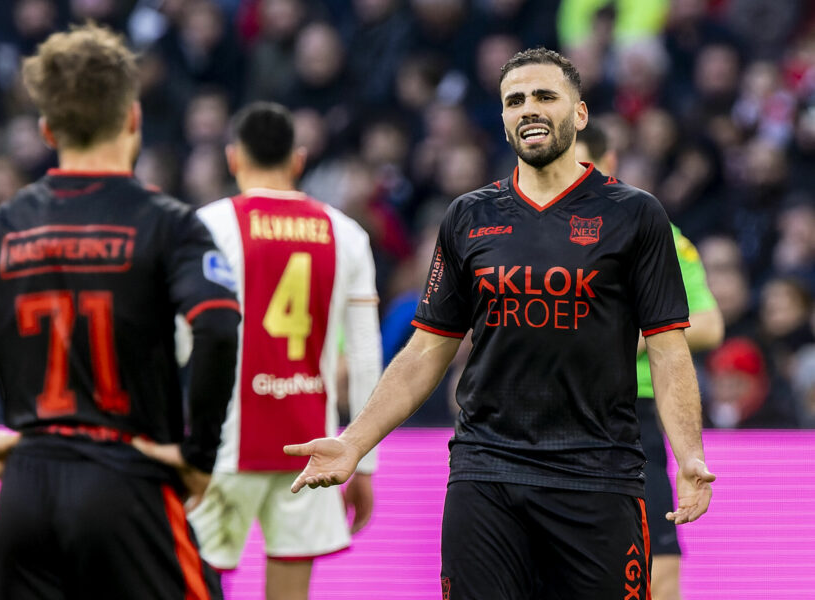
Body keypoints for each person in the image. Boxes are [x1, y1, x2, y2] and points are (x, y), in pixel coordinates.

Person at [285, 47, 716, 599]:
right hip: (486, 472)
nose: (528, 109)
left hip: (599, 475)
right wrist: (354, 443)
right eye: (515, 100)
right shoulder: (469, 216)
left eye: (544, 96)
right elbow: (426, 351)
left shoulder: (635, 215)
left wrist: (689, 455)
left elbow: (667, 347)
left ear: (579, 114)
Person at [0, 24, 239, 600]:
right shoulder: (168, 225)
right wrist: (198, 455)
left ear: (47, 129)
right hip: (128, 480)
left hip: (27, 488)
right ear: (133, 118)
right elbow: (215, 324)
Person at [189, 102, 382, 600]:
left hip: (222, 447)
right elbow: (364, 356)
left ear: (233, 158)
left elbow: (180, 340)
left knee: (196, 583)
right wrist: (361, 460)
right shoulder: (347, 234)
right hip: (310, 449)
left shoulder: (206, 227)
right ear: (298, 160)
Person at [576, 121, 724, 600]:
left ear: (609, 162)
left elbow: (709, 323)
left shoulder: (651, 227)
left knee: (658, 572)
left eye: (583, 166)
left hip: (631, 416)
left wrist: (641, 334)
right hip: (549, 415)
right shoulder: (526, 233)